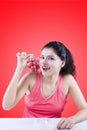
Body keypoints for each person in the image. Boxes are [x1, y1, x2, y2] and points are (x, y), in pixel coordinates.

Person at [2, 41, 87, 129]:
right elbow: (7, 105)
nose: (44, 62)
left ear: (62, 63)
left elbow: (85, 110)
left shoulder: (67, 80)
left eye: (51, 58)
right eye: (42, 57)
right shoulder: (31, 78)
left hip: (54, 128)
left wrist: (73, 119)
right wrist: (19, 69)